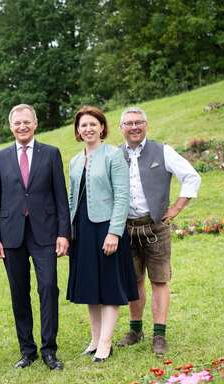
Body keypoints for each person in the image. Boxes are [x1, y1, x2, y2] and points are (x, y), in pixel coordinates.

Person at [0, 104, 70, 370]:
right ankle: (27, 350)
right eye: (17, 123)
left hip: (45, 232)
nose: (22, 126)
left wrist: (63, 233)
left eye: (26, 122)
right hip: (12, 236)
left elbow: (60, 197)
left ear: (35, 124)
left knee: (48, 288)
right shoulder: (0, 158)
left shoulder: (51, 154)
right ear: (11, 127)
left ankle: (49, 350)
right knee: (18, 292)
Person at [115, 107, 201, 355]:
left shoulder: (162, 151)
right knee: (134, 280)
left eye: (139, 122)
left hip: (156, 227)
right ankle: (135, 330)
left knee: (159, 279)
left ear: (146, 125)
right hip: (126, 228)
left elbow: (192, 177)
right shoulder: (114, 155)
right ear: (121, 128)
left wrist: (176, 207)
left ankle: (159, 334)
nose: (134, 127)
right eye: (129, 123)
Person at [67, 106, 138, 362]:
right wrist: (68, 230)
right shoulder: (75, 161)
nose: (88, 129)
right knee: (90, 286)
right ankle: (95, 338)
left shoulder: (113, 155)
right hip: (83, 229)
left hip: (106, 227)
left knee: (109, 285)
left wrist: (114, 233)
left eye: (92, 124)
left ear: (102, 128)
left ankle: (106, 342)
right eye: (83, 125)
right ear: (78, 130)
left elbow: (122, 195)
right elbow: (72, 197)